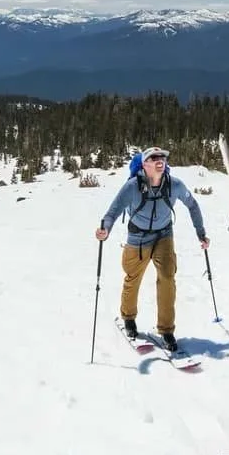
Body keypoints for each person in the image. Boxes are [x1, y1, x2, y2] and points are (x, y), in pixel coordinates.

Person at [94, 146, 209, 350]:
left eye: (162, 157)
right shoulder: (132, 186)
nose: (159, 160)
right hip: (137, 237)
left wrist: (201, 233)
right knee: (133, 277)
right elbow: (112, 212)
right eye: (153, 157)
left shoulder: (174, 185)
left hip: (164, 235)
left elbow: (192, 204)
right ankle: (128, 317)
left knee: (167, 277)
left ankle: (167, 330)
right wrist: (106, 230)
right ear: (144, 164)